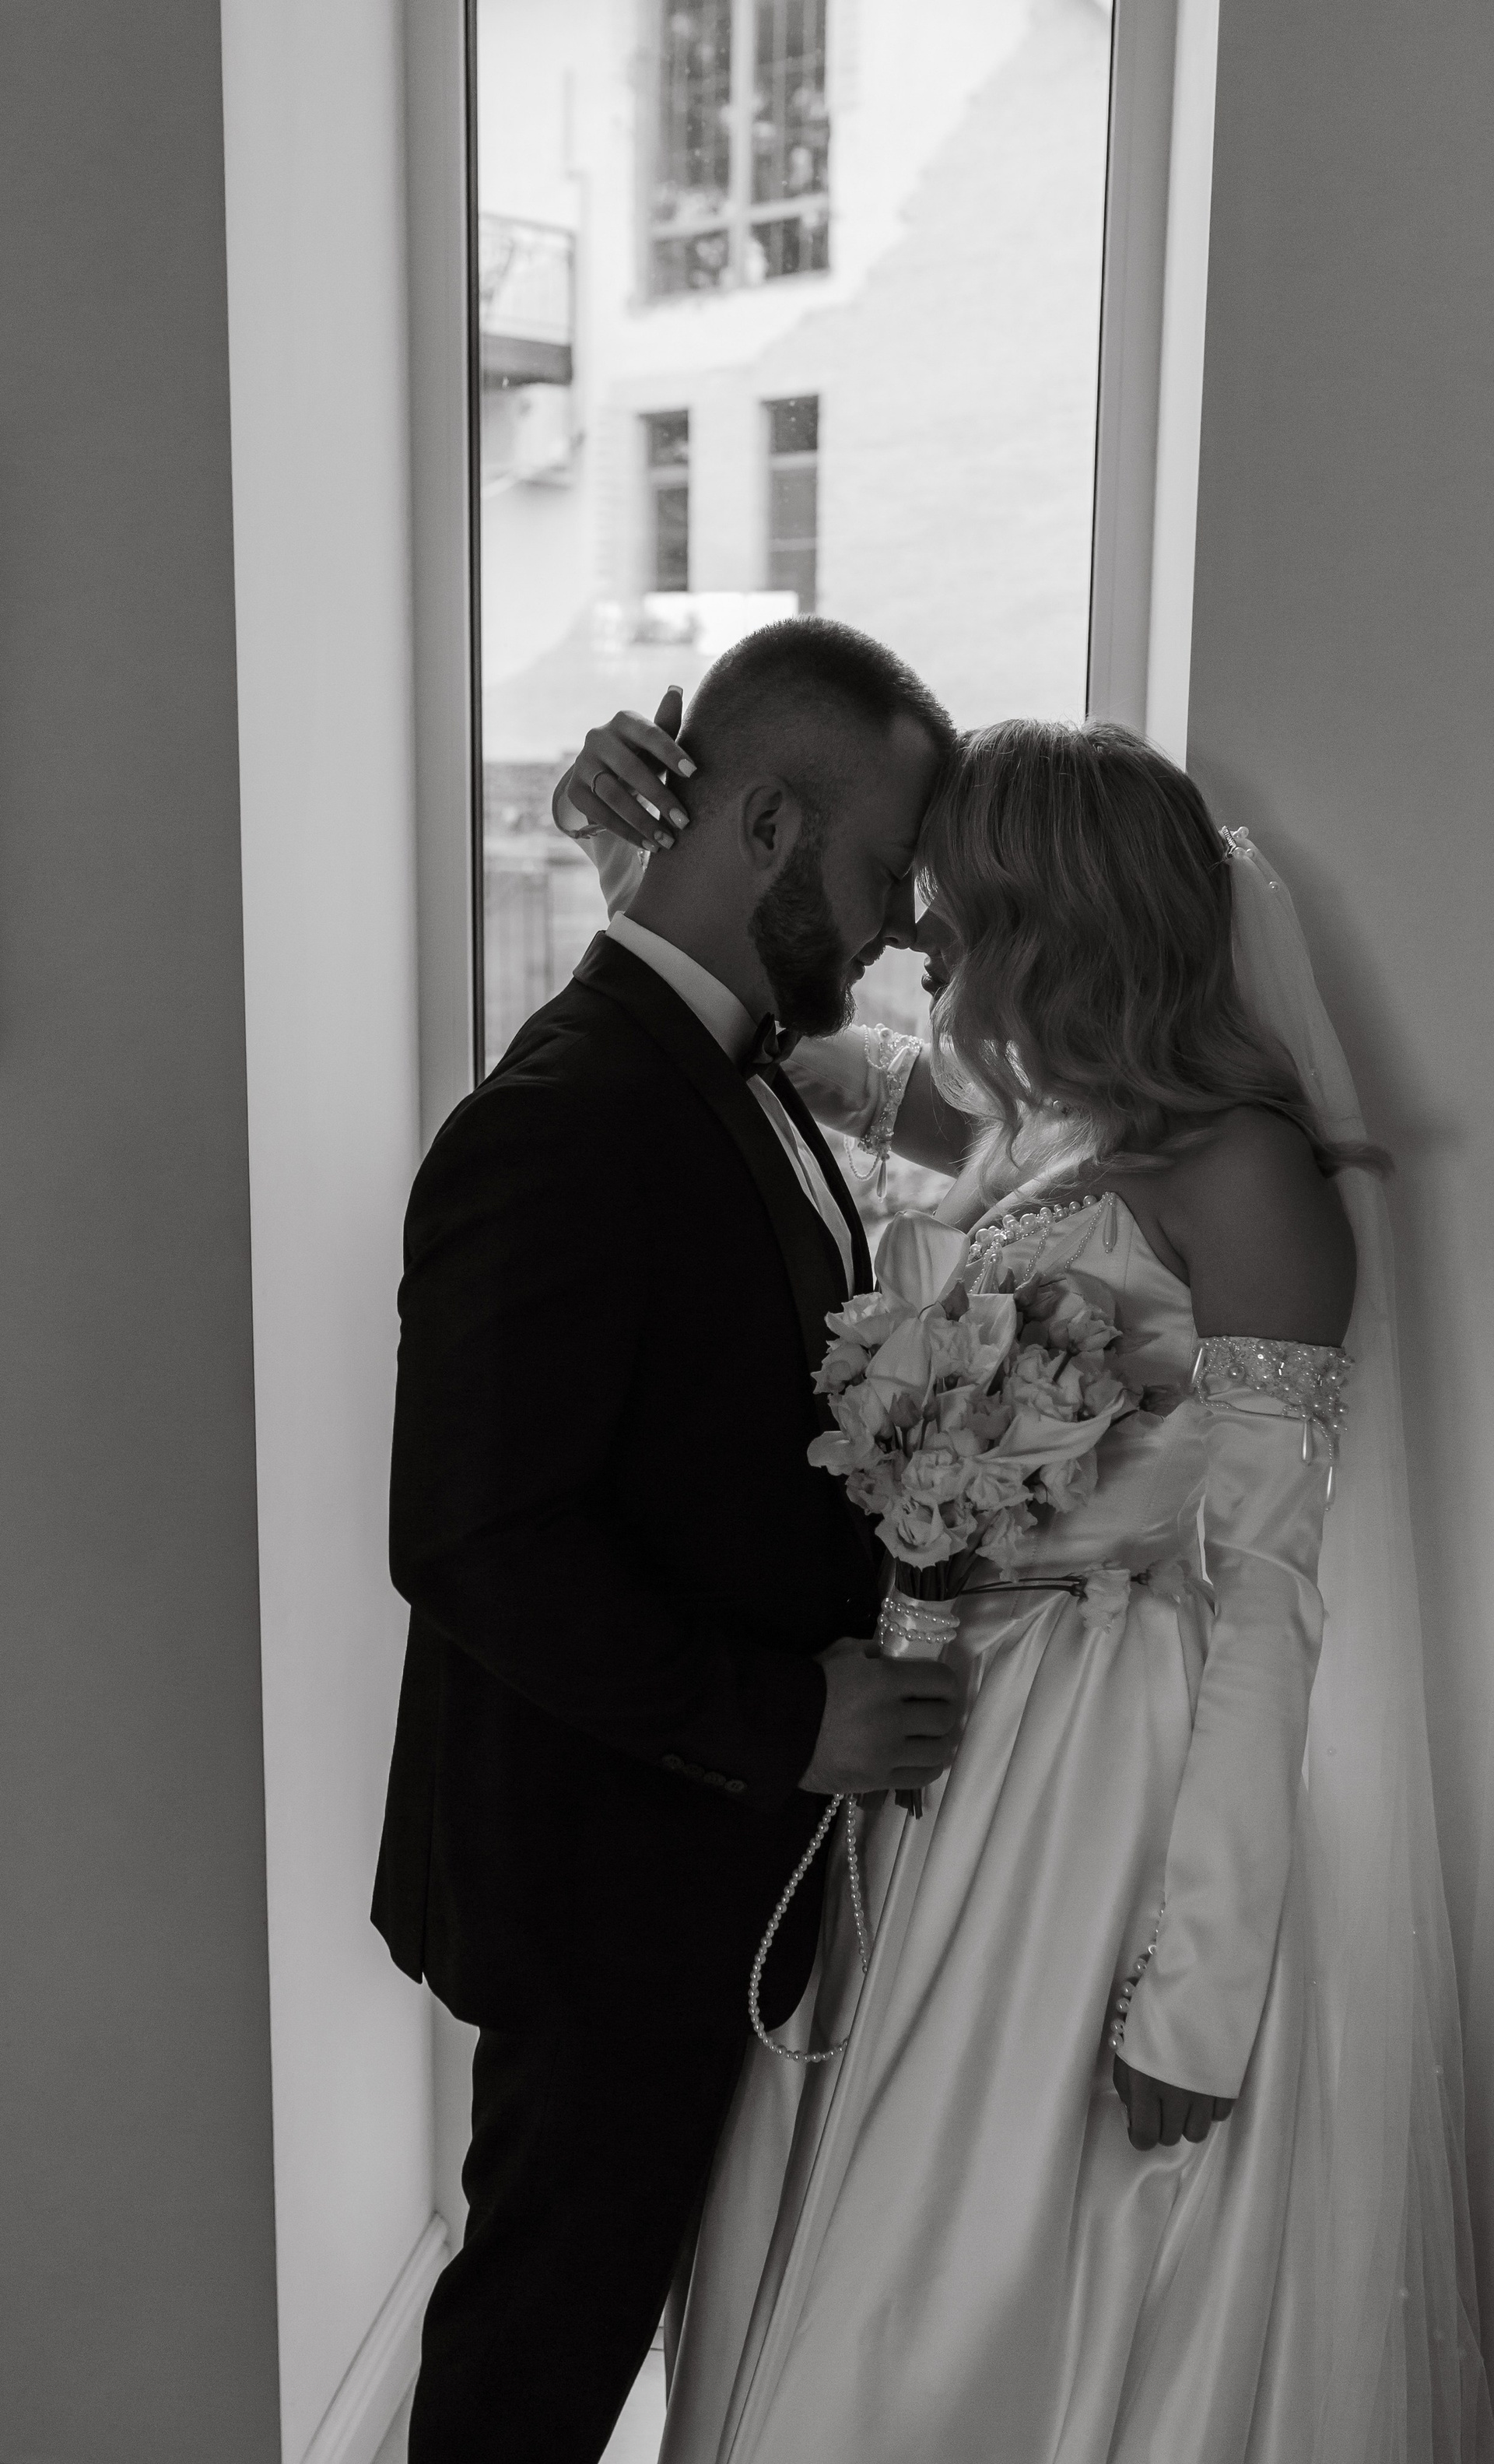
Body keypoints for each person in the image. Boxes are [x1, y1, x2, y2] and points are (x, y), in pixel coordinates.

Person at [569, 709, 1489, 2462]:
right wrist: (636, 850)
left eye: (949, 902)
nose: (916, 934)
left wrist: (1198, 1987)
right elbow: (810, 1058)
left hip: (1092, 1783)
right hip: (934, 1742)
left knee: (978, 2275)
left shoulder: (1246, 1174)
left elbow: (1269, 1596)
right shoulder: (1038, 1123)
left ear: (1056, 916)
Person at [371, 617, 966, 2462]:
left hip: (684, 1865)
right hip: (601, 1873)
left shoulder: (731, 1064)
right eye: (884, 872)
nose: (900, 928)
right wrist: (788, 1718)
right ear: (767, 827)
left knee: (595, 2324)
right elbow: (473, 1537)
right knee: (534, 2362)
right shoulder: (568, 1112)